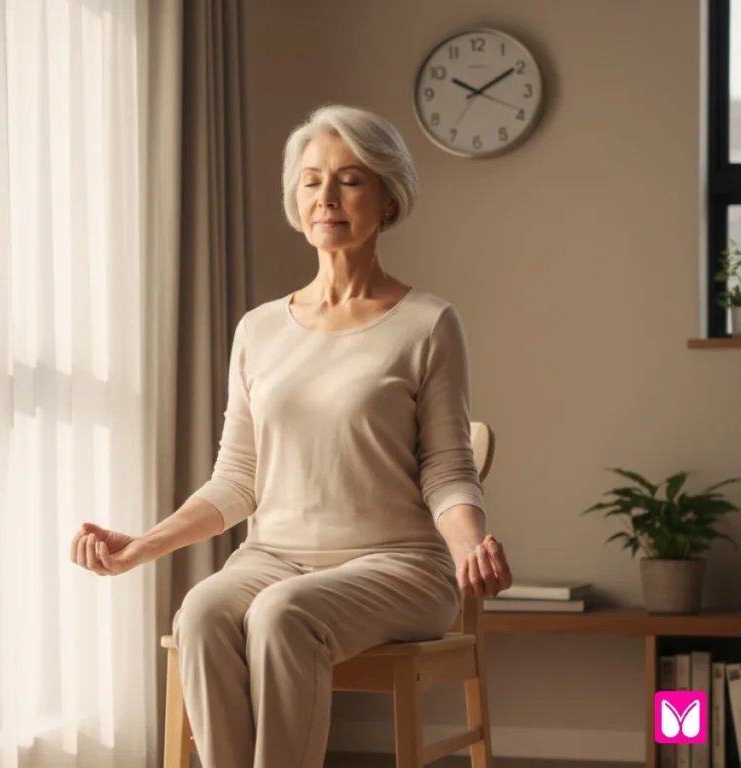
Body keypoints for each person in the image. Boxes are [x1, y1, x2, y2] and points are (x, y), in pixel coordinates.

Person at [70, 103, 513, 768]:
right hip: (273, 558)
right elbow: (236, 478)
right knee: (201, 611)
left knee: (281, 613)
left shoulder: (427, 323)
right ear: (296, 200)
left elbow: (449, 468)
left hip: (398, 566)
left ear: (388, 200)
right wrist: (141, 546)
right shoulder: (258, 329)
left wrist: (470, 546)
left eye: (350, 180)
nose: (326, 196)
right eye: (311, 181)